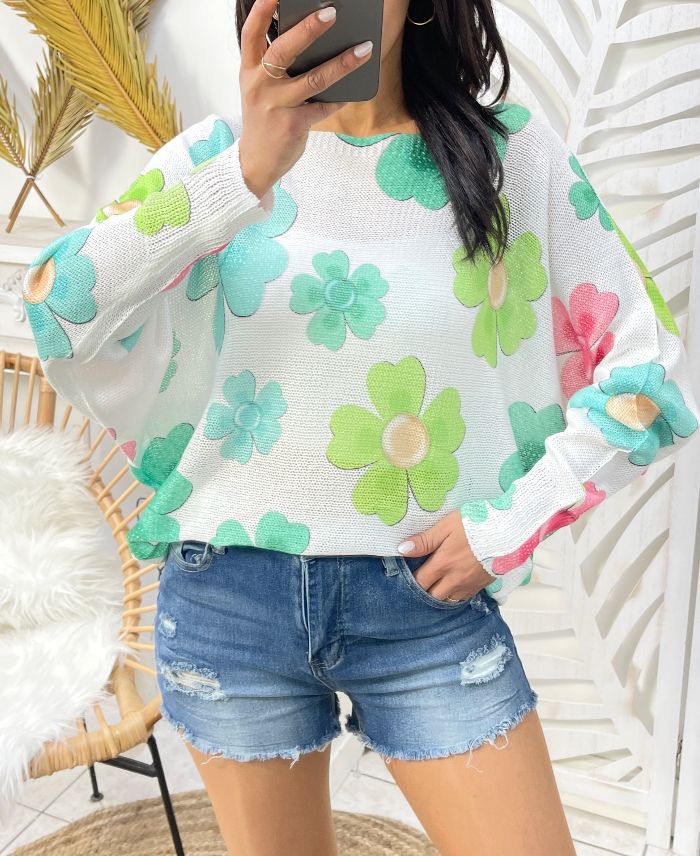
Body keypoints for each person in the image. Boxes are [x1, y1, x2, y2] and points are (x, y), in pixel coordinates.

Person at [21, 0, 700, 853]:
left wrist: (507, 527)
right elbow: (56, 308)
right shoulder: (215, 158)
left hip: (425, 605)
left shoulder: (511, 158)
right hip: (229, 600)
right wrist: (243, 175)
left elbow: (647, 379)